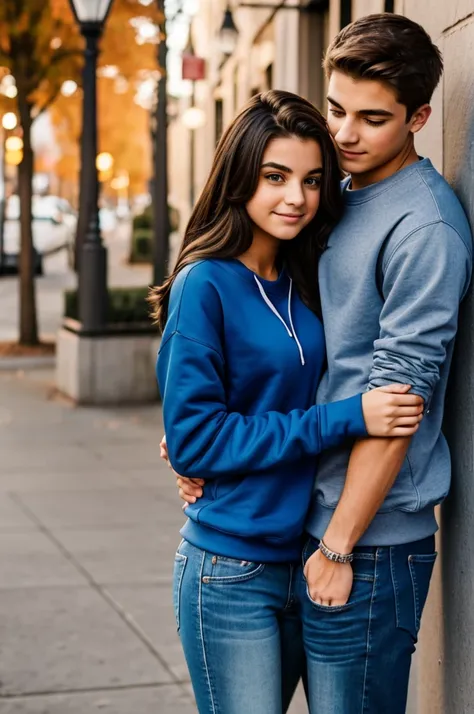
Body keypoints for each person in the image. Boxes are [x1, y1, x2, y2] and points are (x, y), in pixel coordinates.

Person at [171, 14, 473, 714]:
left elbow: (399, 401)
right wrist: (202, 436)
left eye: (372, 119)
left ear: (420, 116)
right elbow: (297, 351)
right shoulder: (330, 197)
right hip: (288, 528)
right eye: (336, 109)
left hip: (366, 544)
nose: (343, 134)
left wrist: (338, 547)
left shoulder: (424, 226)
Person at [149, 90, 423, 714]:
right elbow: (197, 439)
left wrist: (201, 438)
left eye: (312, 180)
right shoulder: (205, 283)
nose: (295, 197)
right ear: (240, 175)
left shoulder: (306, 274)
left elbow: (228, 420)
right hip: (229, 570)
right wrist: (348, 418)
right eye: (275, 177)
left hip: (305, 558)